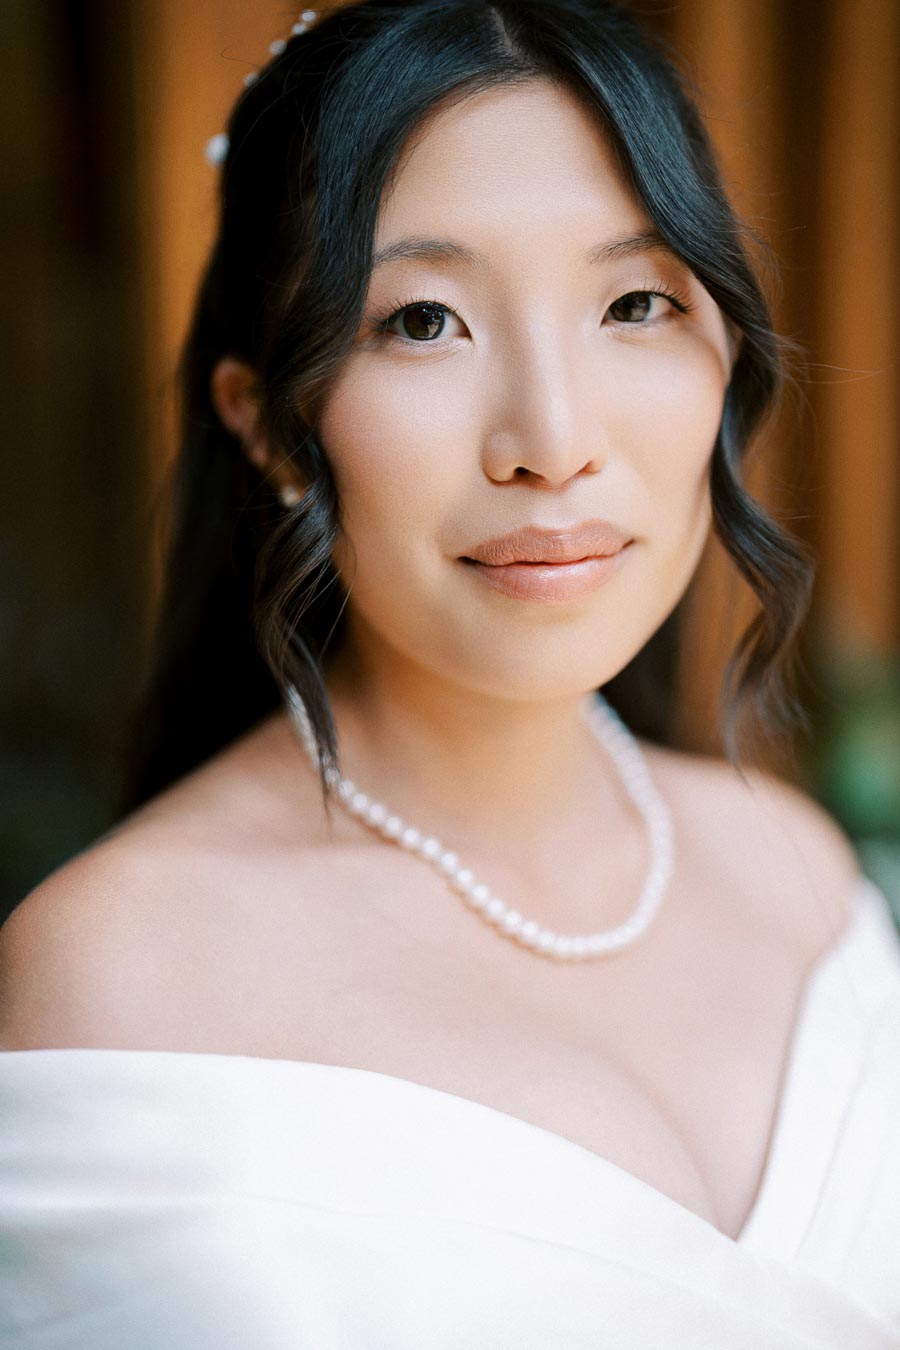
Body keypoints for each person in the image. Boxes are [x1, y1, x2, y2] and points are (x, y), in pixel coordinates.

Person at [0, 1, 898, 1345]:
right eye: (424, 321)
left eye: (634, 303)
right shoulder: (118, 976)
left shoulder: (800, 876)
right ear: (270, 426)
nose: (554, 438)